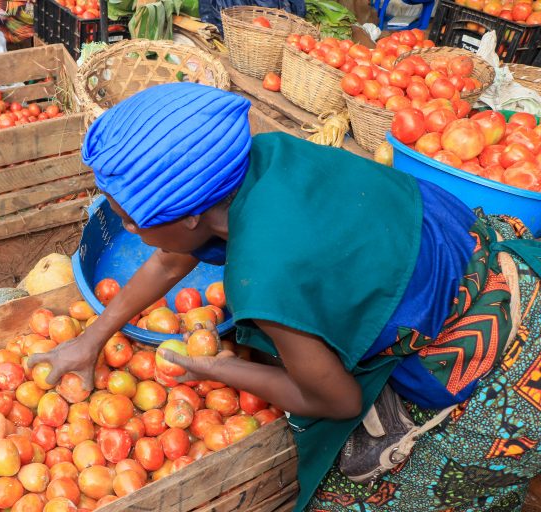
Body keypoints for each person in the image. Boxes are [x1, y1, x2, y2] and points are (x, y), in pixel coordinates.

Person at [28, 82, 541, 511]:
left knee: (355, 491)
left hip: (511, 368)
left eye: (129, 219)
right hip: (488, 262)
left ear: (186, 217)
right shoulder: (268, 156)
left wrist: (213, 369)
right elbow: (171, 257)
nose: (125, 227)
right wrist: (92, 339)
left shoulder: (265, 275)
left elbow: (336, 401)